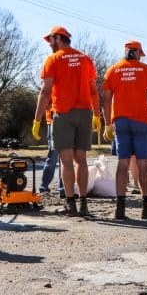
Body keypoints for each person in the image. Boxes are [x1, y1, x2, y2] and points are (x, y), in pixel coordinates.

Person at [32, 26, 101, 217]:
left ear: (58, 39)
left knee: (66, 161)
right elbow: (94, 90)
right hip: (85, 113)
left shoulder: (53, 59)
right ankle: (84, 203)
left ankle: (70, 205)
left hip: (63, 114)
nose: (49, 45)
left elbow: (45, 92)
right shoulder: (86, 59)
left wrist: (37, 119)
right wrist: (97, 115)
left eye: (50, 40)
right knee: (82, 160)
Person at [102, 40, 147, 220]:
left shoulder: (113, 70)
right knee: (143, 164)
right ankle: (146, 208)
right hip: (141, 121)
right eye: (140, 54)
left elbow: (106, 100)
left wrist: (107, 124)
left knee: (123, 164)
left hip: (120, 122)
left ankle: (120, 210)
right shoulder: (146, 70)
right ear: (137, 53)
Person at [38, 107, 65, 198]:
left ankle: (62, 188)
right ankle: (45, 187)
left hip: (65, 123)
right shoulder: (52, 92)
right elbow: (46, 102)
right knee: (54, 157)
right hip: (54, 122)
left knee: (64, 159)